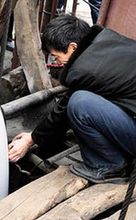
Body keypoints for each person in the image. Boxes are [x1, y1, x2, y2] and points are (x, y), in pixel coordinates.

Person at [9, 14, 136, 184]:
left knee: (79, 103)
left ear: (73, 47)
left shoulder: (85, 70)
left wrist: (31, 139)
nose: (58, 62)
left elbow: (64, 109)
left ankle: (108, 166)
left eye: (56, 56)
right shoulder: (108, 39)